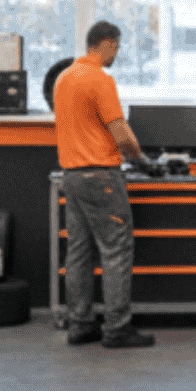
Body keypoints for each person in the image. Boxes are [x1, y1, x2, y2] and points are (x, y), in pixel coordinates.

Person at [54, 20, 159, 348]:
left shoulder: (64, 79)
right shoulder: (99, 79)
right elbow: (121, 133)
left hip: (71, 176)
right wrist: (142, 161)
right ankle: (116, 328)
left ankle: (80, 324)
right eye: (117, 47)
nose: (117, 53)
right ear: (108, 44)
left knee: (79, 251)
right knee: (115, 249)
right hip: (101, 177)